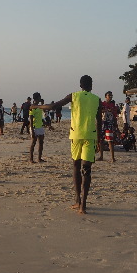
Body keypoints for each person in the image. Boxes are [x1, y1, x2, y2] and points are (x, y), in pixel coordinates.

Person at [39, 75, 102, 214]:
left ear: (80, 85)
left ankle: (77, 200)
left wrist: (37, 106)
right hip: (90, 136)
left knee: (76, 166)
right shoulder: (97, 99)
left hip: (76, 135)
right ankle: (83, 205)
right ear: (91, 85)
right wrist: (99, 140)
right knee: (87, 170)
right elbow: (99, 121)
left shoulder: (73, 96)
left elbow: (53, 106)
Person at [98, 91, 119, 162]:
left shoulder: (113, 106)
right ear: (105, 96)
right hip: (102, 123)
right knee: (101, 140)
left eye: (111, 95)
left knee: (110, 140)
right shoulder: (102, 104)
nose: (110, 97)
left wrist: (116, 125)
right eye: (109, 95)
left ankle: (112, 158)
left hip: (109, 124)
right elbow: (99, 111)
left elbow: (115, 116)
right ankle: (101, 156)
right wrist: (105, 110)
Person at [29, 92, 46, 163]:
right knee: (33, 143)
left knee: (41, 142)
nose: (40, 98)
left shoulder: (39, 107)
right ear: (37, 98)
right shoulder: (32, 107)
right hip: (34, 127)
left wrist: (47, 124)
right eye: (39, 97)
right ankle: (31, 159)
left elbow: (41, 117)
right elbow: (31, 119)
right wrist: (32, 130)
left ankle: (39, 158)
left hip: (40, 126)